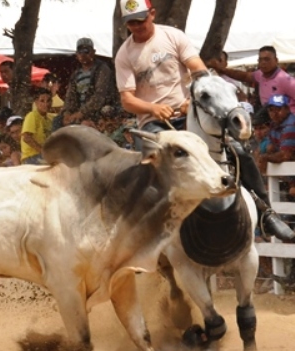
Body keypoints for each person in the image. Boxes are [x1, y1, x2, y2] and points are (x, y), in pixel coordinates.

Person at [114, 0, 294, 240]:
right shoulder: (124, 54)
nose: (137, 26)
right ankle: (147, 234)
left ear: (152, 14)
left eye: (141, 20)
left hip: (188, 113)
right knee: (147, 168)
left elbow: (198, 70)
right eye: (131, 23)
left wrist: (192, 96)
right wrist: (153, 108)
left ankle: (266, 214)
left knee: (238, 149)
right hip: (152, 122)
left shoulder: (173, 36)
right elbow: (127, 99)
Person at [208, 46, 295, 111]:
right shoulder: (260, 74)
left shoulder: (285, 80)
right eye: (260, 60)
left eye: (267, 59)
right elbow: (244, 76)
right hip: (270, 120)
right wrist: (221, 69)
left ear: (276, 60)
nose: (263, 63)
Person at [60, 37, 120, 127]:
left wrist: (81, 113)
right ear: (76, 54)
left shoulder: (102, 69)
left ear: (93, 52)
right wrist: (67, 113)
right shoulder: (76, 74)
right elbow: (70, 97)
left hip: (99, 110)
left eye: (86, 51)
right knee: (57, 121)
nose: (83, 54)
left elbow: (100, 96)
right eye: (80, 52)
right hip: (80, 112)